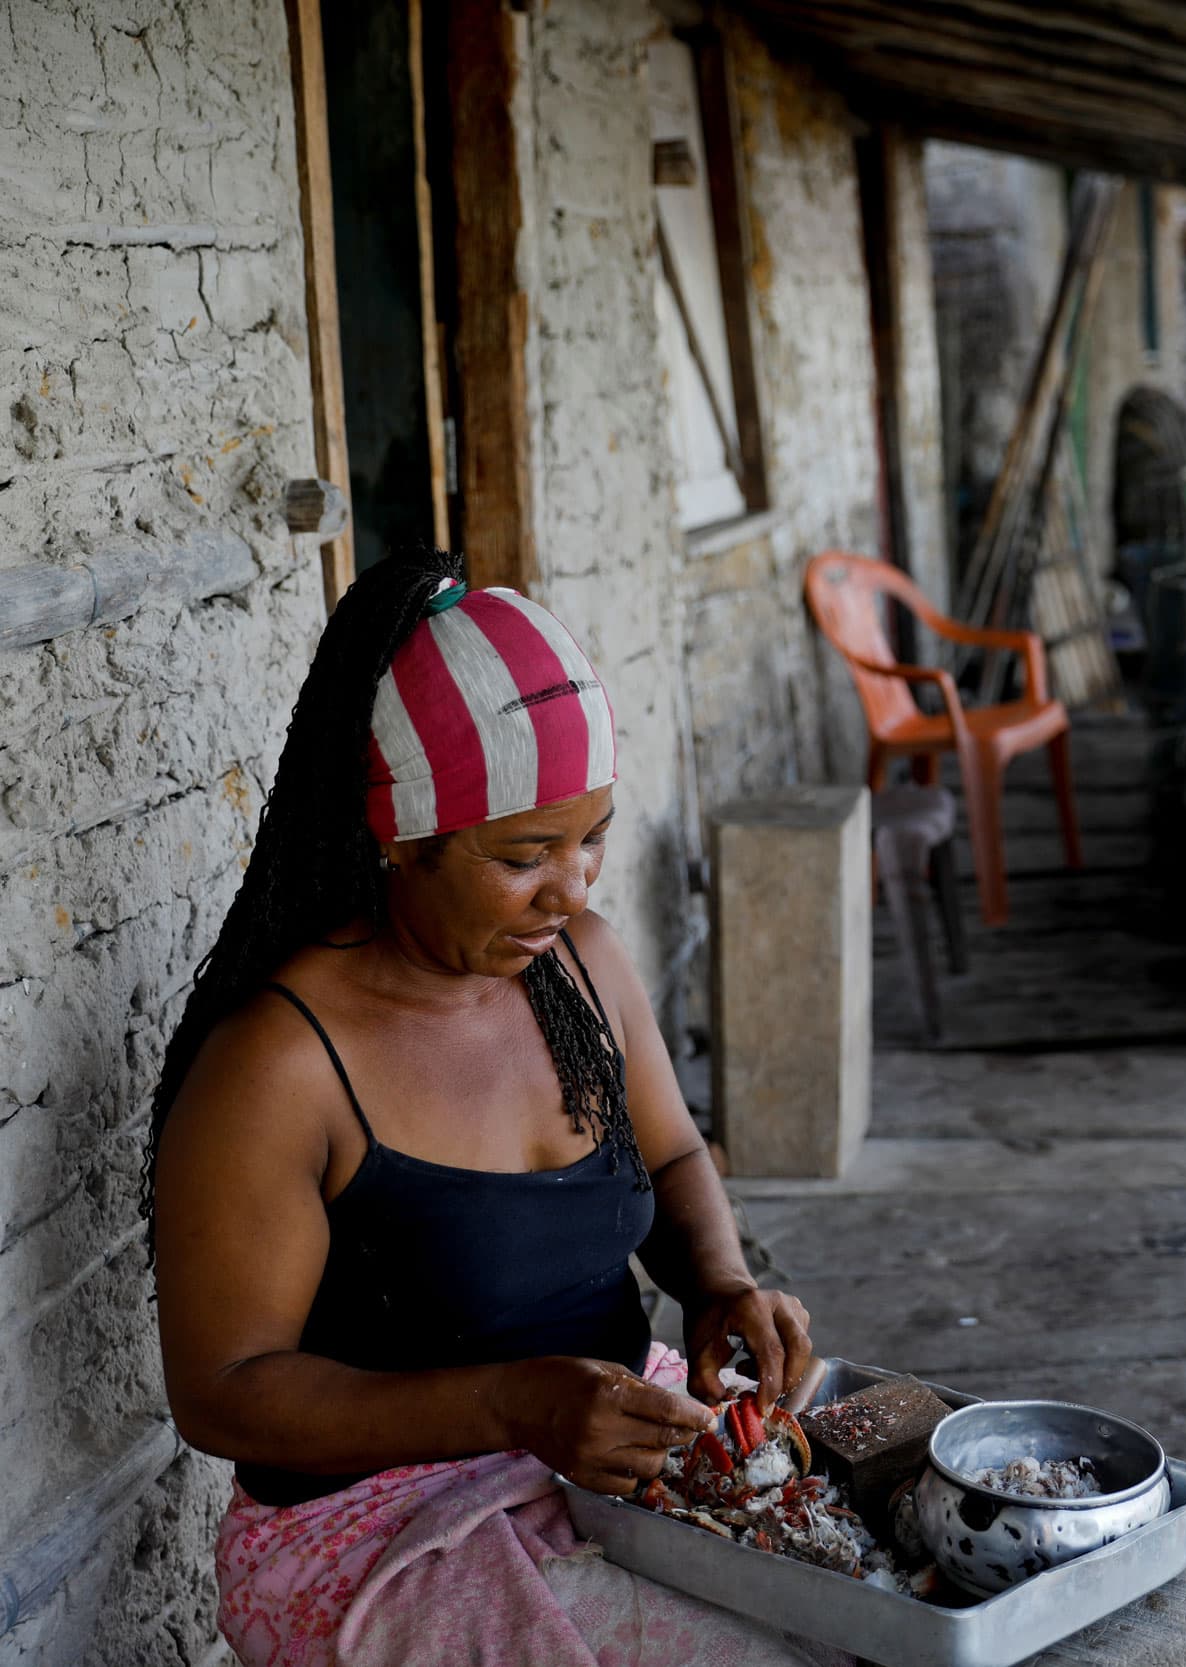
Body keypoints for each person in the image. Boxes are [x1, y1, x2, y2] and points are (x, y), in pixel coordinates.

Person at [151, 549, 833, 1666]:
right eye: (525, 854)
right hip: (369, 1522)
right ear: (400, 839)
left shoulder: (584, 970)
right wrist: (513, 1407)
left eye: (592, 835)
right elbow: (225, 1392)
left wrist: (718, 1285)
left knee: (890, 1575)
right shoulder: (280, 1067)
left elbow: (666, 1158)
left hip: (593, 1449)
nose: (574, 889)